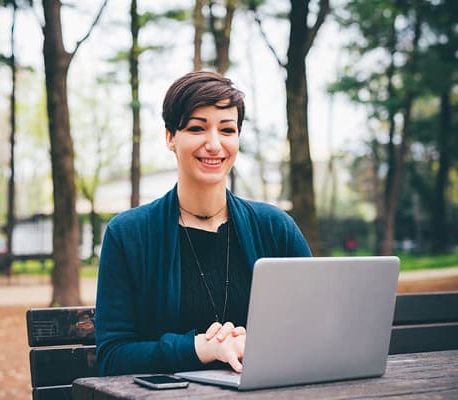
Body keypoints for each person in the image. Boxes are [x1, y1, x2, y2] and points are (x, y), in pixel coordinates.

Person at [95, 71, 311, 376]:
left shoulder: (276, 228)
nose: (214, 144)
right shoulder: (128, 235)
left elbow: (313, 326)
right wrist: (204, 348)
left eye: (227, 130)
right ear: (170, 137)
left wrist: (257, 344)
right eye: (197, 128)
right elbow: (113, 356)